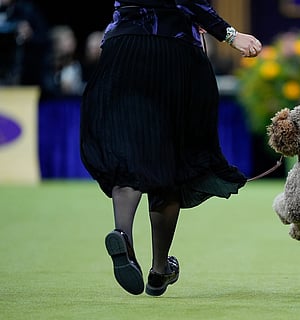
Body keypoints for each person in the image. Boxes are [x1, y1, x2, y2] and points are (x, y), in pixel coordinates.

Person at [79, 0, 262, 297]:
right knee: (173, 157)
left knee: (130, 152)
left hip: (122, 48)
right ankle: (159, 269)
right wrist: (229, 34)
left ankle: (122, 234)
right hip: (172, 50)